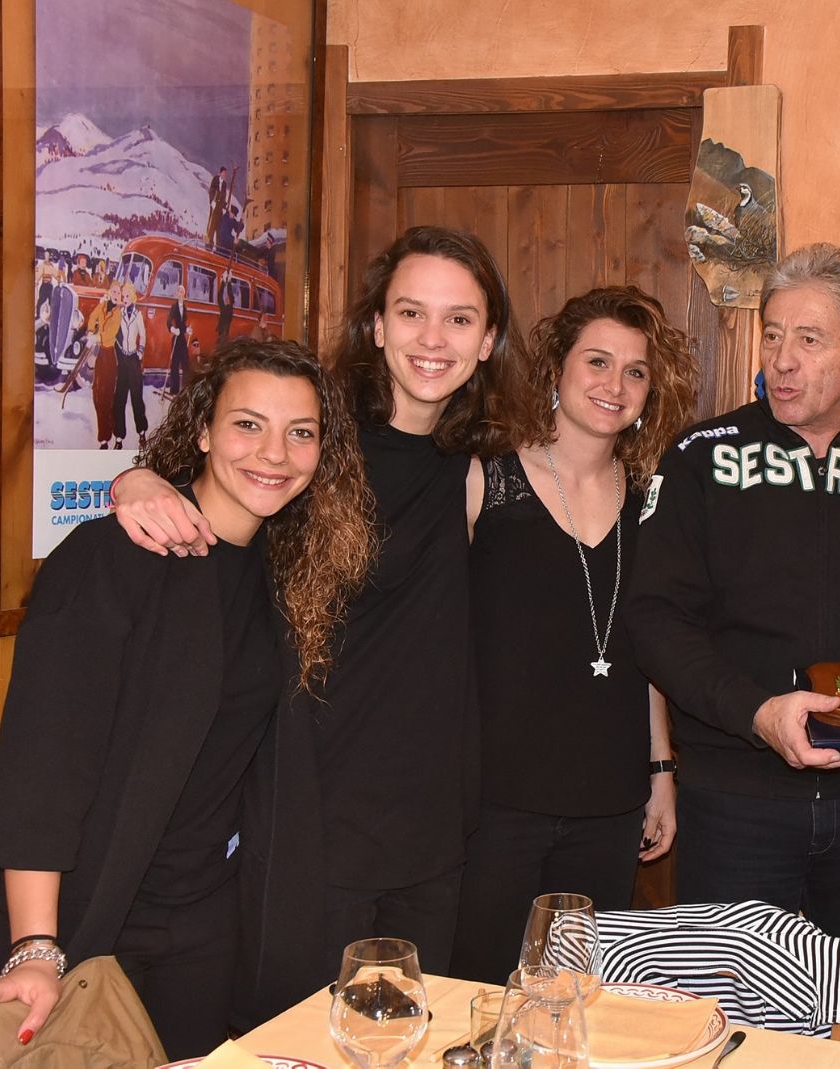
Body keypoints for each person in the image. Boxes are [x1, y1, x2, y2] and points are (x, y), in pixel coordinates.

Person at [108, 225, 516, 1025]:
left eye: (459, 319)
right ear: (377, 325)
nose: (433, 339)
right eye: (411, 313)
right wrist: (136, 481)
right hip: (311, 814)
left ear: (488, 339)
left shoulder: (475, 467)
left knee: (407, 1043)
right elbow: (211, 490)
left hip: (432, 824)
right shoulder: (313, 445)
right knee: (300, 1041)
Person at [0, 338, 374, 1060]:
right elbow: (42, 771)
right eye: (248, 424)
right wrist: (36, 946)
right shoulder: (112, 558)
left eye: (300, 432)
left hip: (206, 925)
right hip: (96, 921)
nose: (274, 453)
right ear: (203, 430)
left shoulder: (284, 571)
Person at [625, 243, 840, 1025]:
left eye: (809, 340)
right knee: (723, 1026)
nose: (780, 360)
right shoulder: (702, 458)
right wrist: (756, 712)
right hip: (734, 801)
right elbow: (654, 619)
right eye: (772, 335)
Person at [448, 287, 698, 984]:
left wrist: (661, 772)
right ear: (556, 367)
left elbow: (648, 650)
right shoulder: (485, 480)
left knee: (572, 1002)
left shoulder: (652, 502)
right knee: (478, 996)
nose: (614, 384)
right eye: (597, 361)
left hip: (609, 802)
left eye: (635, 371)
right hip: (495, 803)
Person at [84, 281, 122, 448]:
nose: (115, 295)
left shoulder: (118, 313)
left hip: (109, 355)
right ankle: (108, 427)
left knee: (106, 396)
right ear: (109, 292)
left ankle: (104, 438)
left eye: (118, 293)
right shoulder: (102, 306)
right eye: (114, 291)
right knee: (96, 394)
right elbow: (92, 317)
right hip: (99, 354)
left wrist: (96, 338)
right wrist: (90, 331)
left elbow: (110, 334)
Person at [112, 281, 148, 449]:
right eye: (123, 296)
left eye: (127, 296)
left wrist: (139, 352)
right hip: (123, 361)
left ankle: (142, 432)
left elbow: (143, 335)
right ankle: (119, 437)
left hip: (133, 359)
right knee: (119, 398)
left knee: (136, 398)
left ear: (133, 298)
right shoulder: (118, 313)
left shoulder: (137, 315)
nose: (125, 299)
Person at [166, 282, 192, 396]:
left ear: (184, 294)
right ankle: (174, 389)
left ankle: (186, 388)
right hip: (176, 337)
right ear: (176, 294)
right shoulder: (174, 307)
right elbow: (168, 322)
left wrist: (187, 330)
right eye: (179, 292)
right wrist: (172, 329)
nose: (180, 294)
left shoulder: (184, 307)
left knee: (185, 363)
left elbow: (183, 324)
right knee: (175, 364)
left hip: (182, 338)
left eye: (182, 292)